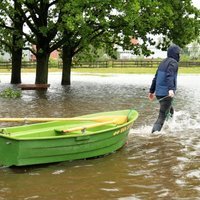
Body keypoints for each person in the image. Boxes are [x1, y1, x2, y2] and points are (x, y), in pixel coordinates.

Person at [148, 44, 181, 133]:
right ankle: (154, 135)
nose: (179, 55)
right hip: (166, 93)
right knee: (162, 115)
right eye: (179, 53)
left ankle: (170, 127)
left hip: (159, 93)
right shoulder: (173, 62)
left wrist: (151, 91)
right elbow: (169, 76)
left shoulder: (163, 62)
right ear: (175, 54)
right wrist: (170, 89)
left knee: (170, 110)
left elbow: (156, 77)